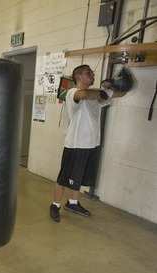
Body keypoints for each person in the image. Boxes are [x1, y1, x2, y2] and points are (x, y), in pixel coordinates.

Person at [49, 65, 126, 223]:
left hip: (91, 144)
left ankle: (72, 203)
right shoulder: (72, 92)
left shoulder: (97, 94)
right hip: (75, 144)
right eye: (88, 73)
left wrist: (113, 85)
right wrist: (102, 91)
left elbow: (121, 93)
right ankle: (55, 205)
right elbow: (83, 94)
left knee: (78, 178)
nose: (92, 75)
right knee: (64, 178)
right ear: (78, 77)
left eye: (92, 72)